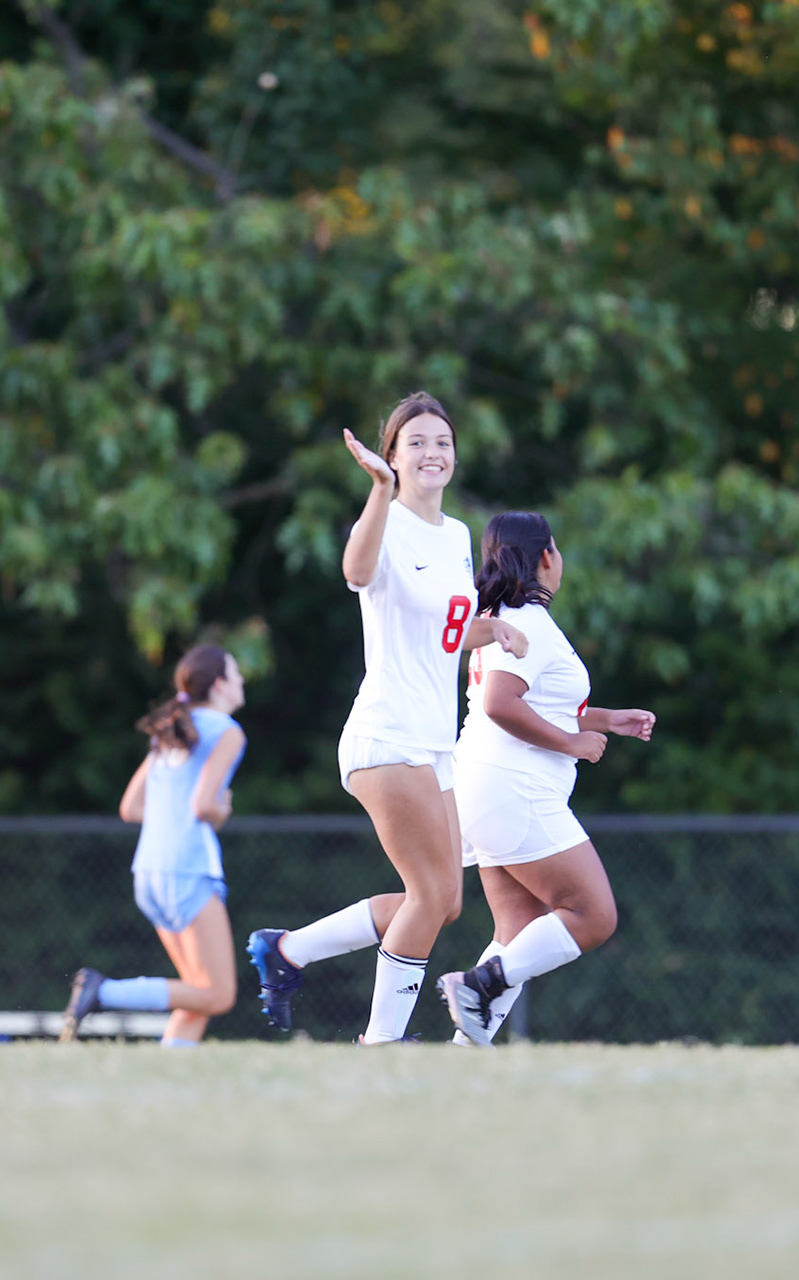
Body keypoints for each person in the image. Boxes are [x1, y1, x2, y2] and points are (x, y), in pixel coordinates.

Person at [246, 392, 527, 1044]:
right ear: (393, 455)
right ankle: (381, 1044)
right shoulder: (386, 518)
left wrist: (494, 633)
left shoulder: (456, 535)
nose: (433, 452)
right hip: (386, 733)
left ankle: (287, 952)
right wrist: (379, 490)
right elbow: (355, 571)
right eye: (417, 442)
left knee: (445, 902)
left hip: (434, 742)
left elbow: (445, 632)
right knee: (430, 897)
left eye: (442, 442)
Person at [435, 512, 656, 1046]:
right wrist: (573, 744)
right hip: (515, 788)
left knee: (517, 931)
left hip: (484, 787)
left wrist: (604, 720)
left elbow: (536, 705)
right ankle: (478, 983)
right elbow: (499, 705)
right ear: (546, 558)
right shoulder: (528, 623)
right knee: (593, 915)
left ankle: (464, 1052)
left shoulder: (500, 618)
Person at [61, 646, 247, 1048]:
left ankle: (171, 1069)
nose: (242, 682)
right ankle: (102, 991)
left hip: (148, 870)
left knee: (197, 991)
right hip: (189, 868)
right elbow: (203, 805)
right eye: (235, 674)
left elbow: (131, 807)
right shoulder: (227, 731)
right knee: (219, 995)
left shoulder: (171, 725)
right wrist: (223, 809)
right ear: (218, 685)